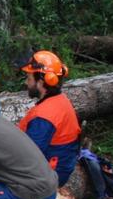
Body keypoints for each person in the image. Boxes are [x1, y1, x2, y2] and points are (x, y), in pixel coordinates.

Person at [18, 50, 81, 186]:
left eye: (29, 78)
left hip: (49, 175)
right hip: (59, 164)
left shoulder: (43, 117)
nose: (26, 82)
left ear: (41, 83)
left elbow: (28, 156)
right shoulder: (59, 100)